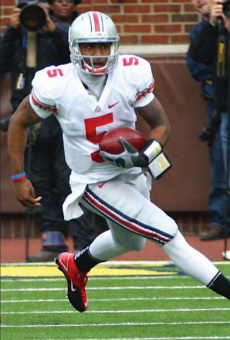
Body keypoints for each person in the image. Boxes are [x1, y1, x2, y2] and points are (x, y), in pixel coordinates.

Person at [7, 11, 230, 312]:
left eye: (104, 46)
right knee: (168, 233)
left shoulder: (130, 72)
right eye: (89, 47)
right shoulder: (56, 83)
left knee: (130, 242)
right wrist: (19, 177)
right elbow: (19, 122)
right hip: (93, 179)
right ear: (74, 47)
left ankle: (76, 265)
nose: (98, 55)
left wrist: (144, 156)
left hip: (131, 172)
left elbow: (161, 124)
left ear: (115, 46)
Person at [0, 0, 108, 262]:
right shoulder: (16, 36)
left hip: (64, 117)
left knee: (70, 177)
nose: (33, 17)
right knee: (40, 179)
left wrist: (52, 29)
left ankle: (84, 243)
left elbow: (76, 61)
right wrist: (10, 32)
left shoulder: (63, 32)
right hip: (32, 117)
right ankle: (53, 241)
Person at [187, 0, 230, 241]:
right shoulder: (203, 30)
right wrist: (213, 26)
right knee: (221, 163)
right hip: (219, 103)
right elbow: (196, 65)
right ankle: (220, 220)